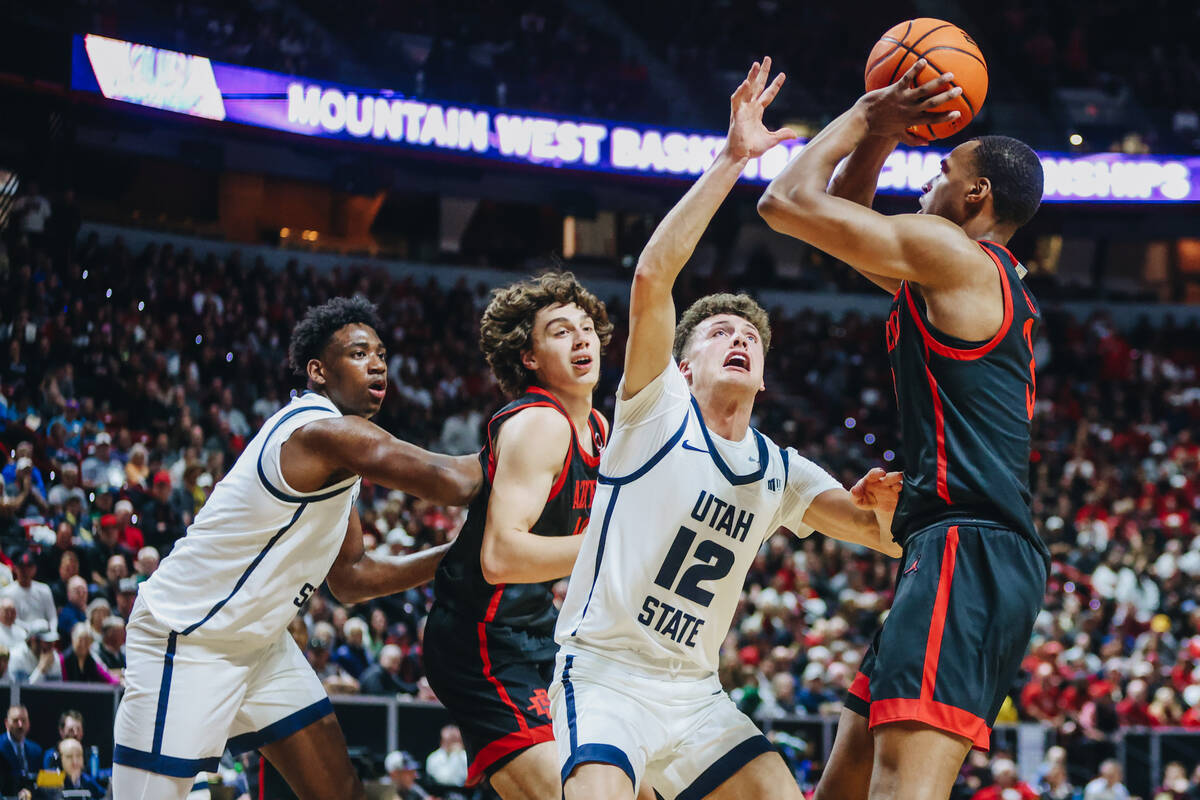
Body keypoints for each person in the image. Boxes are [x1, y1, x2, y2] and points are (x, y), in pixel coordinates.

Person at [550, 59, 902, 800]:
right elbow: (653, 278)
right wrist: (733, 159)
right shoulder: (655, 411)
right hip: (607, 676)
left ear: (765, 375)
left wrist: (889, 509)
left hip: (696, 694)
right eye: (716, 332)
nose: (736, 336)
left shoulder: (781, 470)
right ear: (680, 366)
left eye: (749, 334)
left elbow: (877, 533)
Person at [757, 57, 1048, 800]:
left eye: (942, 165)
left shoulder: (952, 257)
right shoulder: (959, 271)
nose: (929, 175)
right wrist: (880, 141)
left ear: (975, 193)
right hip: (951, 546)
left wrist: (864, 113)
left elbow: (786, 201)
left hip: (968, 549)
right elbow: (845, 216)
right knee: (844, 790)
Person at [111, 296, 484, 800]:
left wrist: (459, 557)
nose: (377, 363)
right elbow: (450, 480)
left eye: (381, 353)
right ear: (319, 370)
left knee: (341, 792)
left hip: (259, 644)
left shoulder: (343, 456)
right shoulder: (317, 430)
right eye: (358, 353)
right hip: (186, 637)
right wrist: (533, 439)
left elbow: (351, 577)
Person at [423, 272, 615, 798]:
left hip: (536, 630)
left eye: (586, 327)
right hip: (478, 636)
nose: (581, 338)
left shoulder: (598, 428)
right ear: (527, 357)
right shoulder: (541, 425)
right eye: (559, 331)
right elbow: (501, 555)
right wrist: (615, 547)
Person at [2, 551, 57, 633]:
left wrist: (52, 631)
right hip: (19, 636)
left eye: (28, 567)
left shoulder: (44, 589)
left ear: (34, 569)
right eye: (22, 568)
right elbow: (11, 620)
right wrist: (32, 628)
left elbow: (52, 617)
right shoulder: (6, 593)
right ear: (15, 568)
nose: (25, 572)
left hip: (44, 635)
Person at [0, 705, 43, 796]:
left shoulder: (36, 751)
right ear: (7, 723)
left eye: (24, 721)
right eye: (16, 721)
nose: (20, 725)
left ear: (28, 723)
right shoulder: (1, 747)